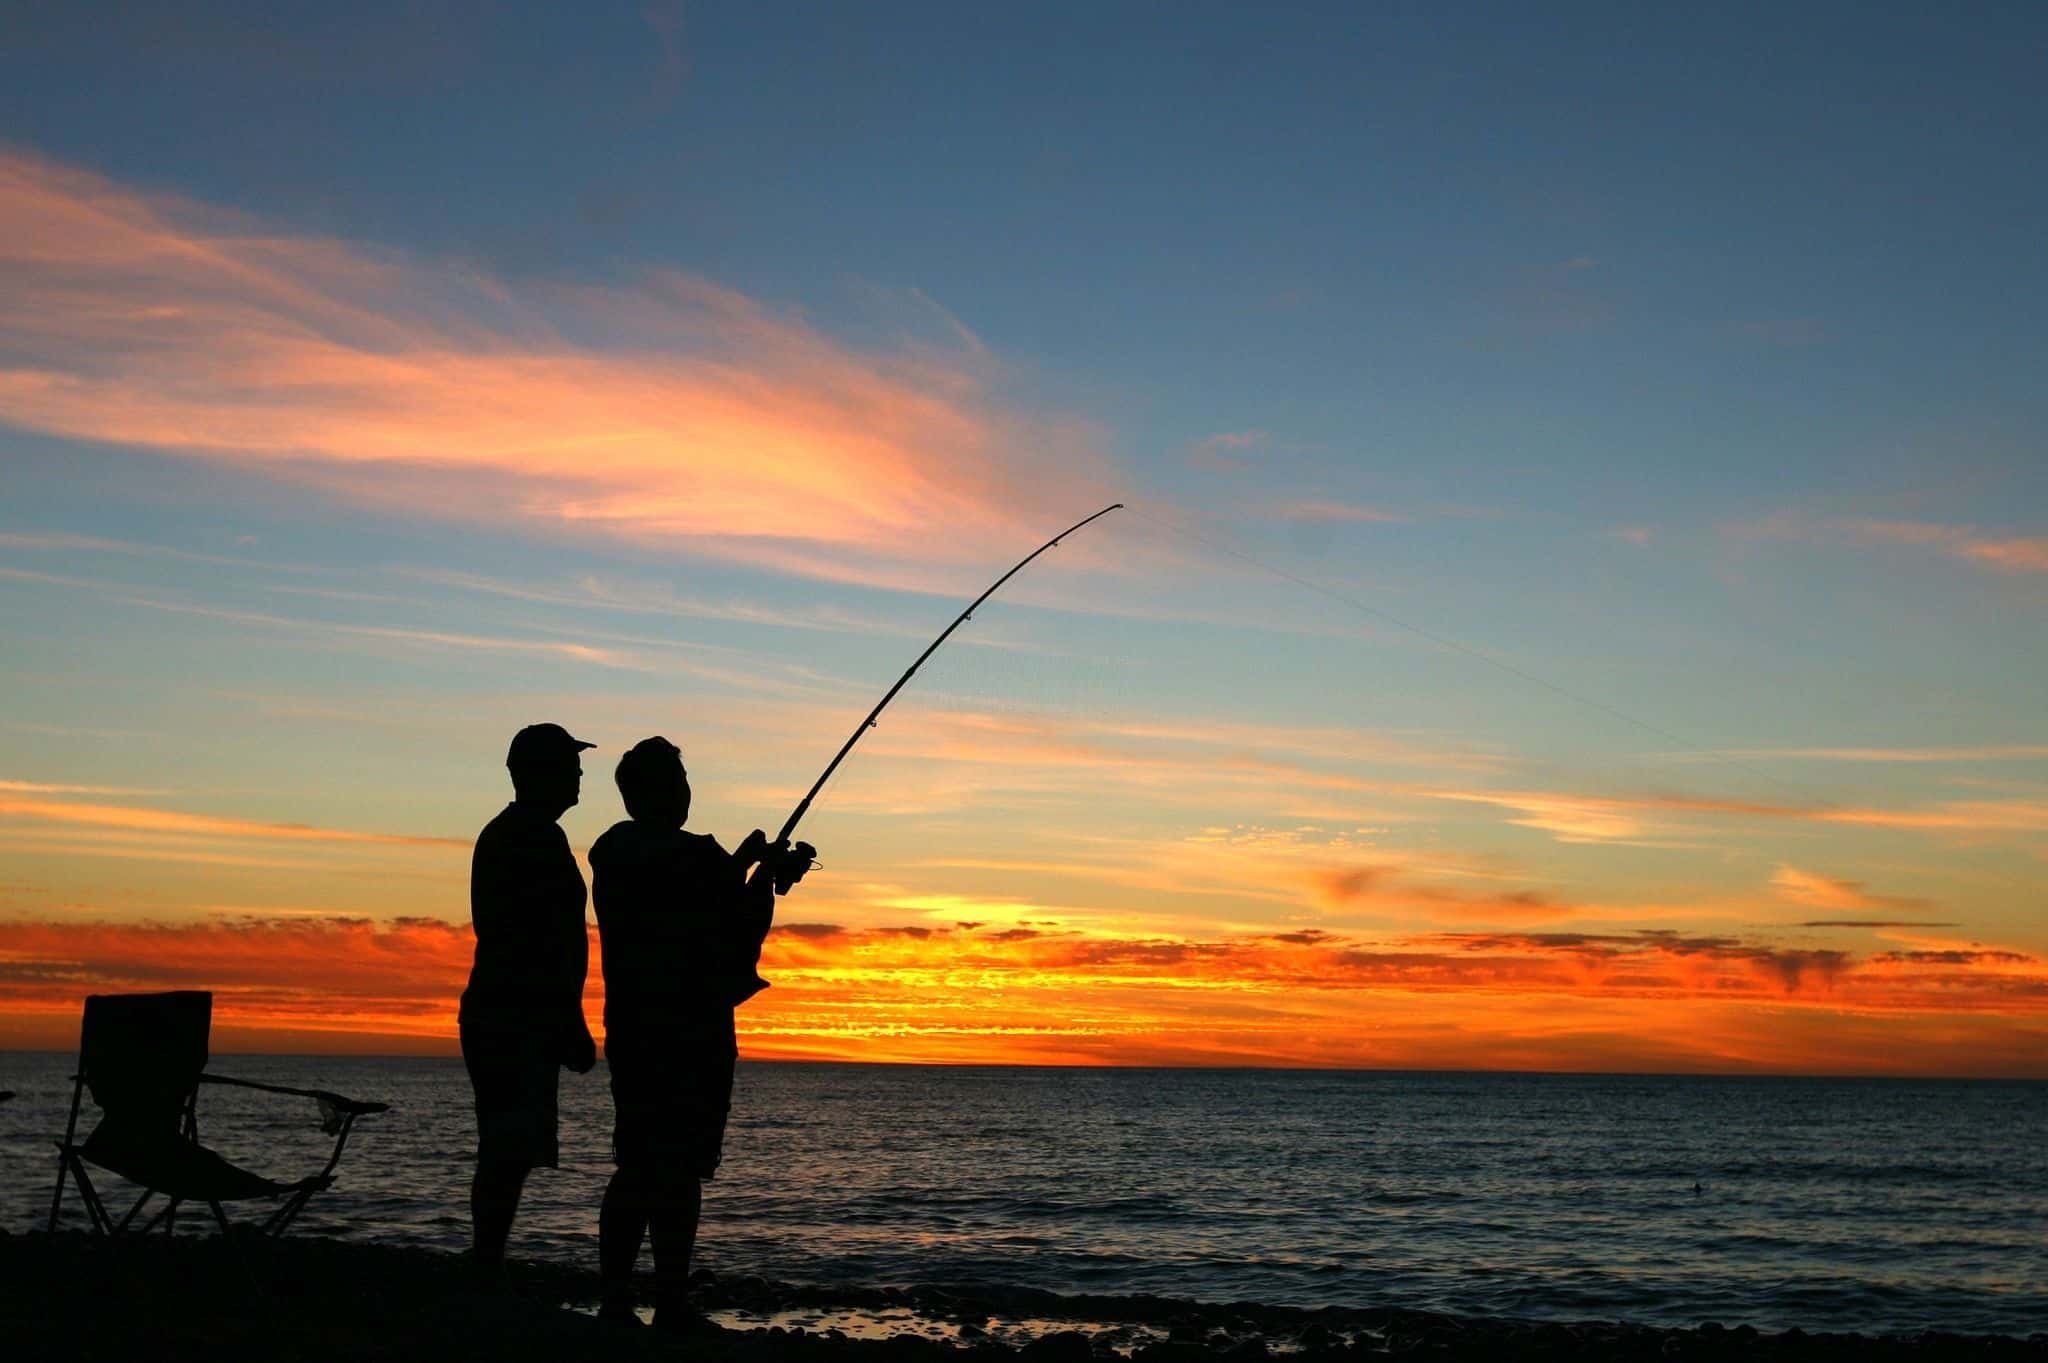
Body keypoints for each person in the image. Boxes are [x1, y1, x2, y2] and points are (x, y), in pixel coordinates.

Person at [589, 736, 813, 1329]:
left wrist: (752, 870)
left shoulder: (629, 853)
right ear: (661, 793)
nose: (687, 796)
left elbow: (706, 903)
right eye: (680, 785)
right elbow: (724, 915)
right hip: (678, 1034)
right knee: (662, 1168)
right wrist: (757, 875)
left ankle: (640, 1301)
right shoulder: (659, 853)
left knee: (658, 1166)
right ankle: (645, 1302)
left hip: (657, 1029)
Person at [458, 722, 600, 1272]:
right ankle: (486, 1263)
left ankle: (487, 1259)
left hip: (513, 1012)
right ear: (538, 773)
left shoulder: (528, 833)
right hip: (515, 1016)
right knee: (508, 1145)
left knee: (509, 1147)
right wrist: (571, 1021)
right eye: (570, 765)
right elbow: (538, 942)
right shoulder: (528, 837)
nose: (579, 775)